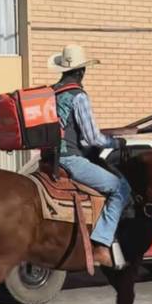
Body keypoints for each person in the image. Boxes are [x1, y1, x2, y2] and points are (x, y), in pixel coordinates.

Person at [48, 43, 130, 268]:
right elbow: (92, 138)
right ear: (81, 71)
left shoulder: (51, 93)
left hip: (48, 159)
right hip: (70, 159)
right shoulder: (78, 96)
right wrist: (116, 142)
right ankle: (101, 246)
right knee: (121, 189)